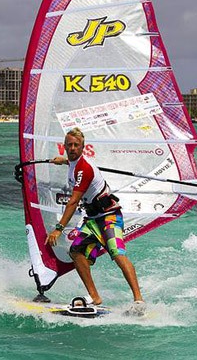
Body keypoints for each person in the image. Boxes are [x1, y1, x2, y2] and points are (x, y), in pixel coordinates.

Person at [45, 127, 144, 313]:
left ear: (83, 147)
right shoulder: (74, 164)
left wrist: (59, 228)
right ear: (64, 147)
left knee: (117, 253)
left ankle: (139, 300)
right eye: (69, 145)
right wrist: (64, 162)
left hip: (109, 216)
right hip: (93, 219)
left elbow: (73, 201)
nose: (73, 148)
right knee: (76, 251)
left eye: (77, 145)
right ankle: (95, 297)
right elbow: (73, 164)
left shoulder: (84, 169)